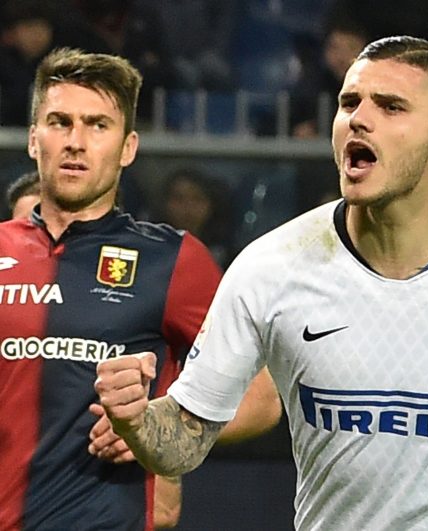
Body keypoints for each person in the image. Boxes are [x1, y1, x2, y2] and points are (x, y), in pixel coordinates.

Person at [95, 36, 428, 530]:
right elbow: (184, 440)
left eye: (391, 107)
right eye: (350, 103)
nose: (359, 120)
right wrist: (138, 421)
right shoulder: (273, 266)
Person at [0, 47, 280, 530]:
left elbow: (262, 397)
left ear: (128, 147)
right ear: (32, 139)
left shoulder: (172, 260)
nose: (76, 141)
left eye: (97, 125)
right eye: (60, 122)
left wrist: (157, 429)